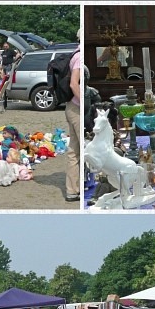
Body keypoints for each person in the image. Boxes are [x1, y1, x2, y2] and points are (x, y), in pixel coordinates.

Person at [64, 47, 81, 204]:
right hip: (77, 108)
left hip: (71, 107)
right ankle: (76, 188)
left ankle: (72, 189)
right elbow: (73, 84)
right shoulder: (80, 57)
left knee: (74, 150)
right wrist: (84, 103)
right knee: (80, 149)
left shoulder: (75, 54)